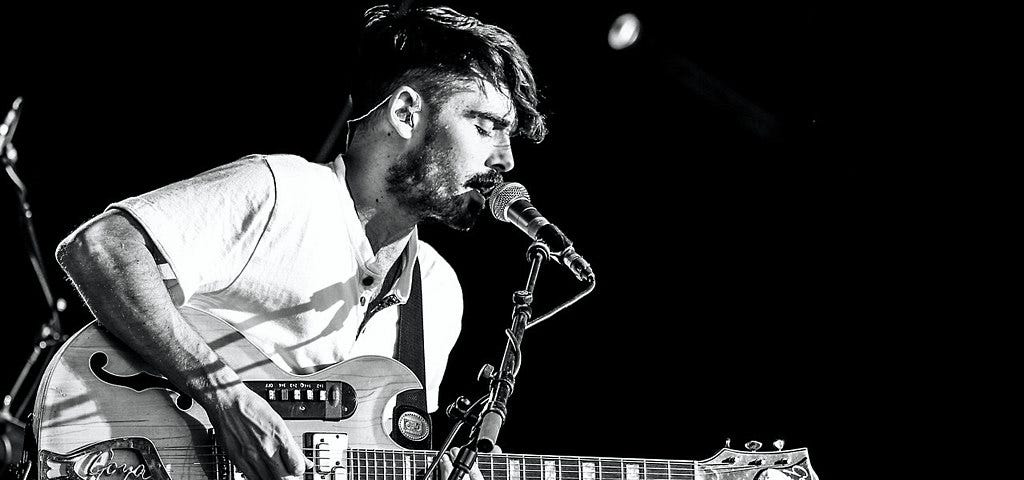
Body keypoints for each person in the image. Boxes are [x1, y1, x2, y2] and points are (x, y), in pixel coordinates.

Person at [54, 5, 546, 480]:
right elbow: (101, 247)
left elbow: (374, 456)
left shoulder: (439, 292)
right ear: (405, 113)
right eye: (485, 127)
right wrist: (223, 396)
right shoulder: (284, 192)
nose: (505, 160)